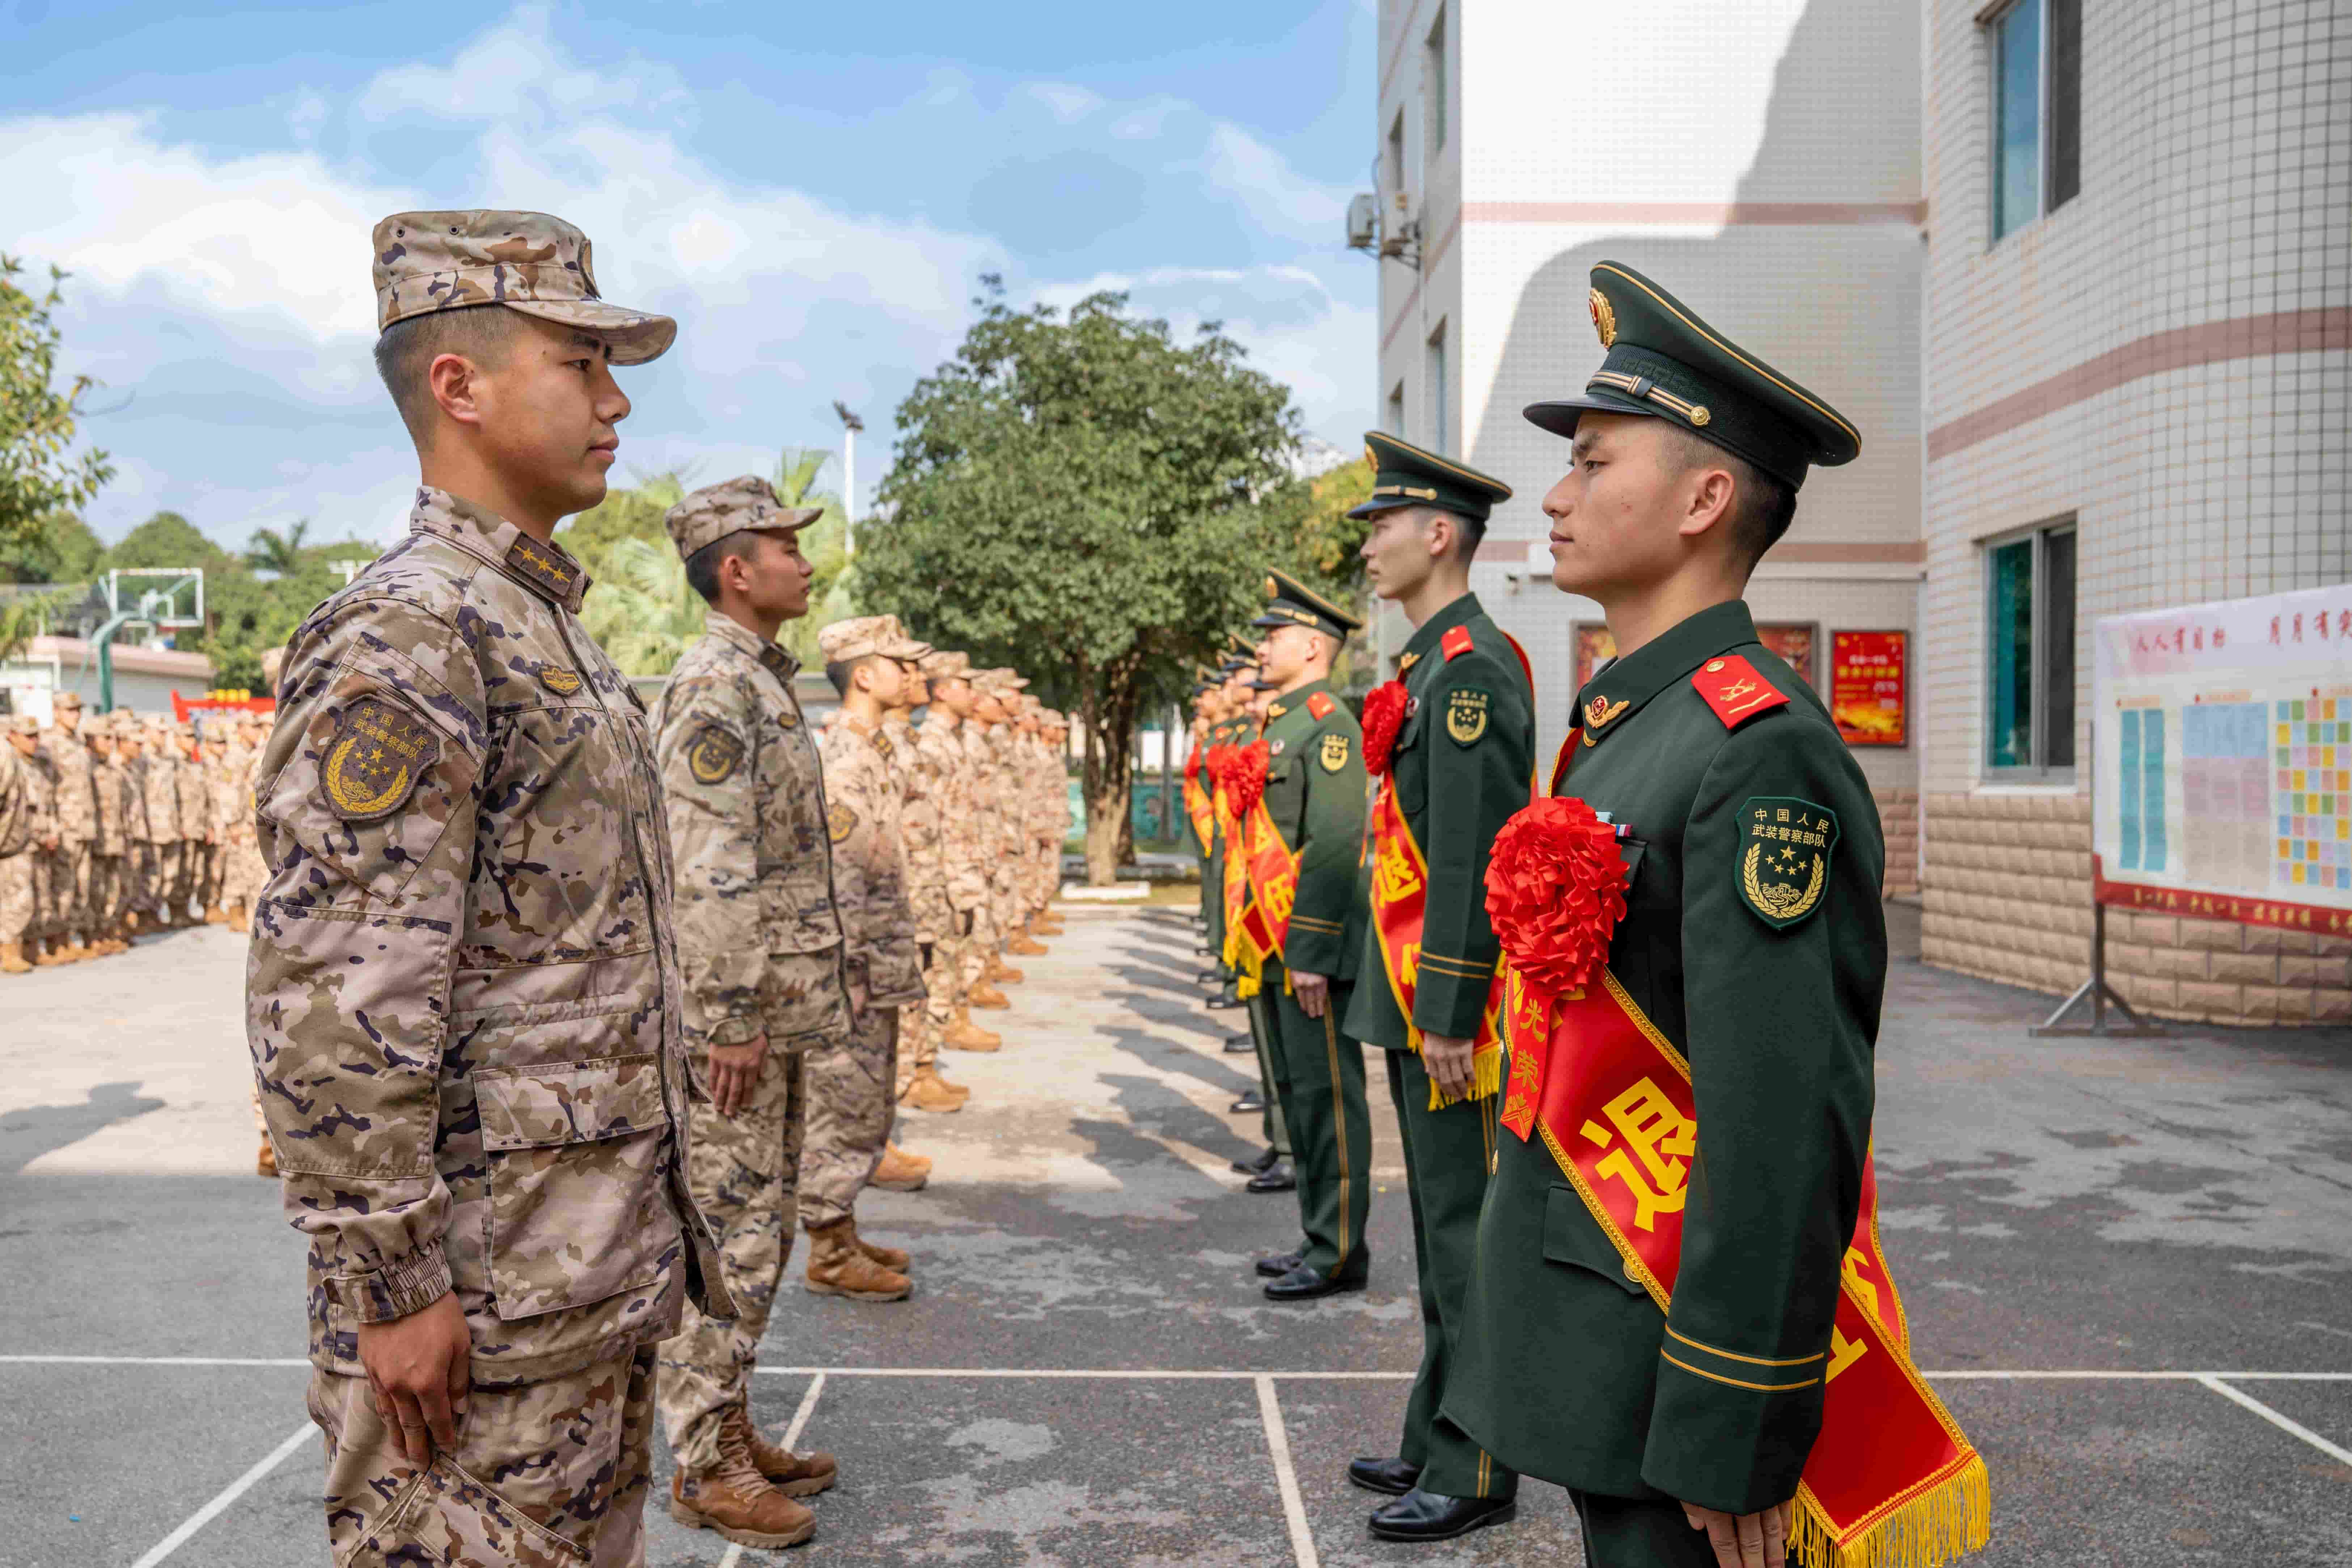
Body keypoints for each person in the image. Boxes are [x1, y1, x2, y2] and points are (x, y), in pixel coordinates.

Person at [249, 207, 732, 1567]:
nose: (615, 395)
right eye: (579, 362)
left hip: (573, 1274)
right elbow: (337, 987)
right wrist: (392, 1283)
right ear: (457, 384)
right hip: (481, 1302)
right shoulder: (413, 630)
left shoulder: (535, 620)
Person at [1442, 262, 1941, 1568]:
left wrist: (1733, 1407)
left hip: (1672, 1363)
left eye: (1591, 459)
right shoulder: (1633, 721)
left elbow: (1781, 1113)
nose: (1552, 492)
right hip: (1600, 1323)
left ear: (1703, 497)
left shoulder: (1752, 747)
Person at [1328, 432, 1532, 1540]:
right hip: (1412, 999)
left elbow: (1473, 857)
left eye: (1384, 524)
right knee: (1440, 1229)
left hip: (1450, 1009)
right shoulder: (1428, 663)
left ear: (1440, 533)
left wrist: (1454, 1006)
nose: (1369, 544)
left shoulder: (1470, 672)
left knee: (1466, 1232)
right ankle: (1437, 1424)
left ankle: (1479, 1460)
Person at [651, 473, 850, 1551]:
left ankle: (728, 1422)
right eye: (787, 545)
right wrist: (725, 1013)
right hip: (741, 1023)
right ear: (737, 567)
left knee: (758, 1232)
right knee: (726, 1237)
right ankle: (701, 1459)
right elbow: (708, 865)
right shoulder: (715, 685)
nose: (805, 561)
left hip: (773, 1012)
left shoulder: (759, 679)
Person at [1241, 571, 1373, 1302]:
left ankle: (1339, 1249)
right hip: (1273, 936)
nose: (1263, 646)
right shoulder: (1287, 719)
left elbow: (1333, 839)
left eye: (1273, 635)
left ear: (1314, 646)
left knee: (1327, 1098)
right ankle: (1318, 1233)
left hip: (1307, 943)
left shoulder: (1328, 723)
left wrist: (1313, 947)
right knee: (1298, 1095)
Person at [806, 615, 935, 1283]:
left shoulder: (876, 750)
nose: (912, 674)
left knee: (869, 1099)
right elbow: (843, 869)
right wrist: (850, 965)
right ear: (864, 673)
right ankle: (828, 1247)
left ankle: (844, 1230)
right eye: (897, 662)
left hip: (877, 959)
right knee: (844, 1103)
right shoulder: (846, 758)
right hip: (854, 965)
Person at [892, 647, 973, 1112]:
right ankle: (908, 1076)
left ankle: (920, 1065)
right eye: (907, 669)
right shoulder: (900, 741)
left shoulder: (912, 740)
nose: (915, 678)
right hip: (905, 885)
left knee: (929, 972)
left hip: (929, 877)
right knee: (910, 983)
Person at [915, 651, 1004, 1057]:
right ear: (943, 690)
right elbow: (930, 817)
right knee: (945, 953)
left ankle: (955, 1018)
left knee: (961, 944)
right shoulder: (932, 742)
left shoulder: (955, 738)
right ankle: (940, 1032)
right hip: (947, 866)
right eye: (964, 685)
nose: (972, 693)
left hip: (966, 860)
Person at [0, 715, 54, 976]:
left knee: (27, 896)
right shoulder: (7, 760)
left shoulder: (31, 765)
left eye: (36, 736)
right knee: (16, 898)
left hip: (26, 839)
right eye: (27, 736)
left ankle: (24, 949)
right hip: (11, 841)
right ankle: (9, 952)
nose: (34, 741)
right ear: (12, 735)